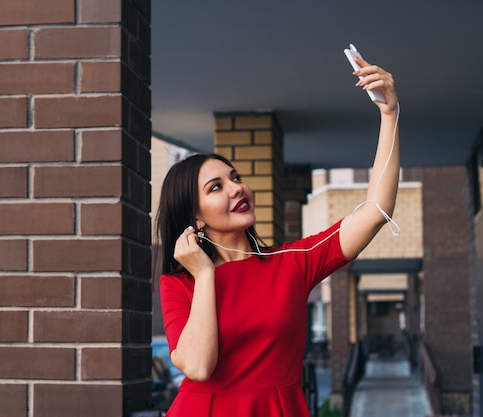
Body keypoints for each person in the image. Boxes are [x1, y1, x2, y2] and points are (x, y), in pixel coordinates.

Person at [155, 56, 399, 417]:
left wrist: (389, 114)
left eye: (236, 178)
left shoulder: (292, 262)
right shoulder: (179, 283)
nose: (237, 189)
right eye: (216, 187)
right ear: (195, 217)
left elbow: (376, 208)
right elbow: (198, 367)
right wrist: (205, 274)